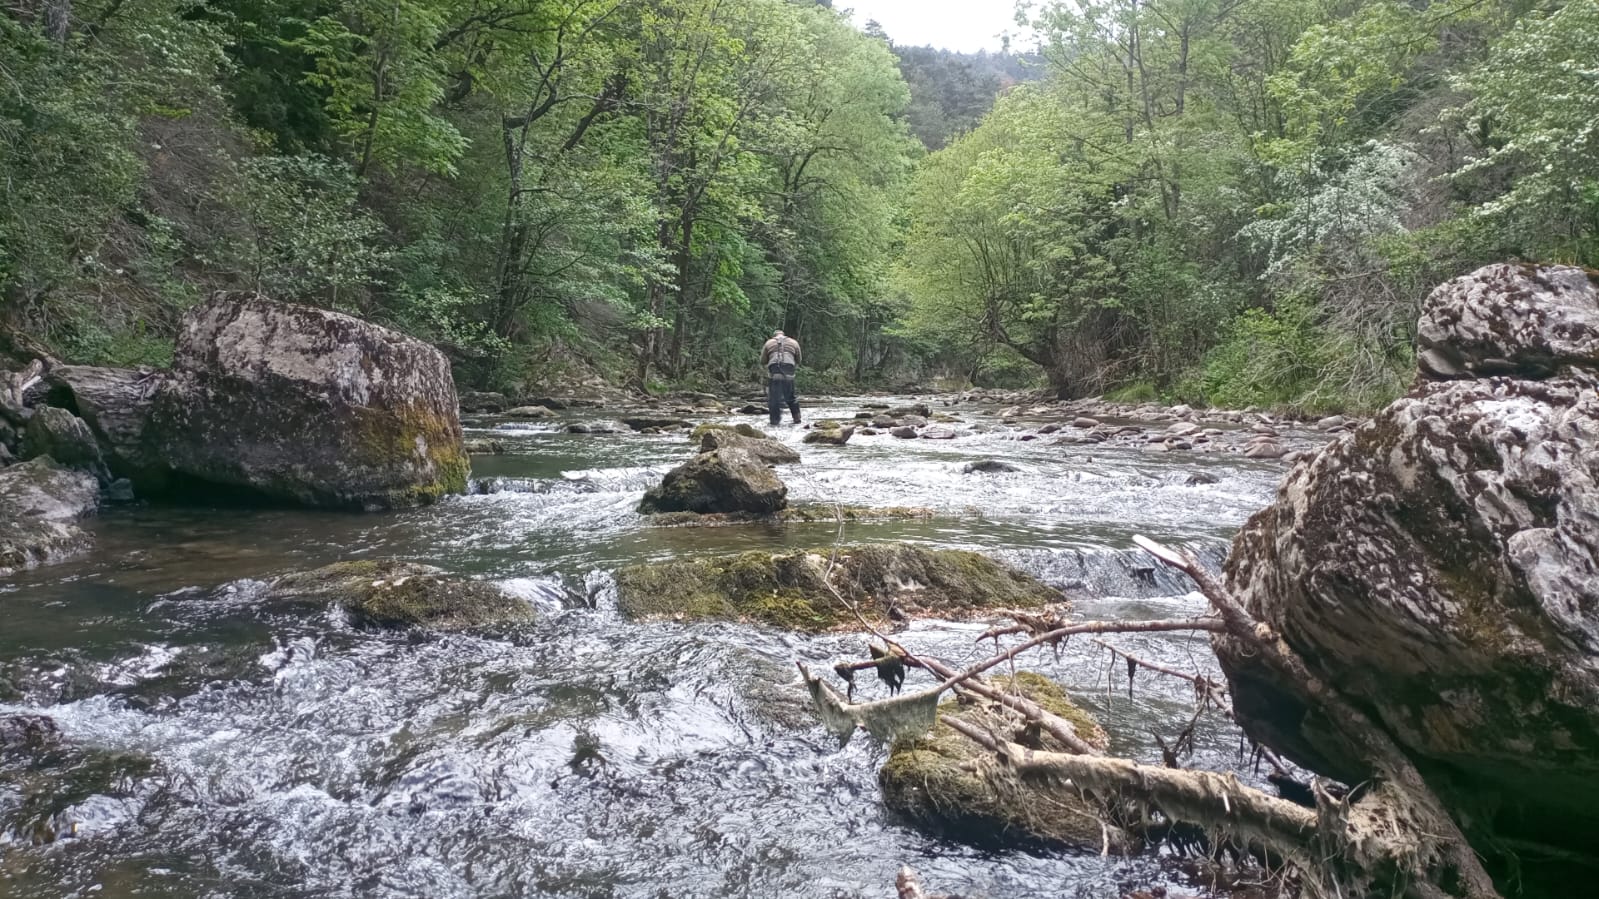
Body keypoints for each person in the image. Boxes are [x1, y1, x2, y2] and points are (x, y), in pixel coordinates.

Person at [760, 329, 802, 425]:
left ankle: (774, 422)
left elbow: (762, 361)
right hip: (789, 374)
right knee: (791, 397)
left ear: (774, 336)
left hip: (774, 374)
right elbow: (799, 360)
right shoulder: (794, 342)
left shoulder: (768, 343)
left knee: (774, 399)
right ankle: (797, 418)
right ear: (784, 334)